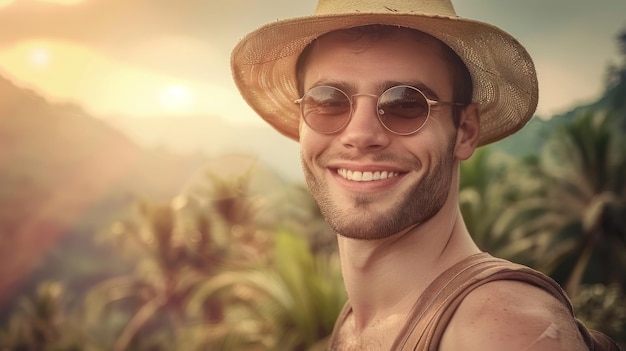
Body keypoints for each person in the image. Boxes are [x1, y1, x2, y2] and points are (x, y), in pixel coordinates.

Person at [231, 0, 621, 350]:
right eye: (328, 101)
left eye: (405, 104)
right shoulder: (355, 322)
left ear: (465, 132)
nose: (361, 135)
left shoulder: (502, 329)